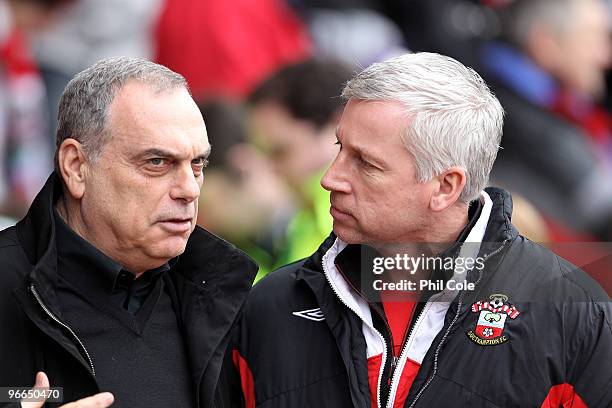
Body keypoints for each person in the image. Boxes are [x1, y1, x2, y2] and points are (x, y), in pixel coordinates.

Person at [231, 52, 611, 407]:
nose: (331, 178)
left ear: (445, 187)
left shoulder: (573, 315)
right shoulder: (271, 305)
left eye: (366, 164)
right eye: (339, 148)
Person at [0, 57, 257, 407]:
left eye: (197, 164)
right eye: (157, 163)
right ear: (76, 166)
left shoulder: (224, 298)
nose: (189, 189)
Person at [480, 0, 612, 241]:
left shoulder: (567, 101)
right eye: (594, 39)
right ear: (545, 42)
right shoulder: (507, 110)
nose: (605, 57)